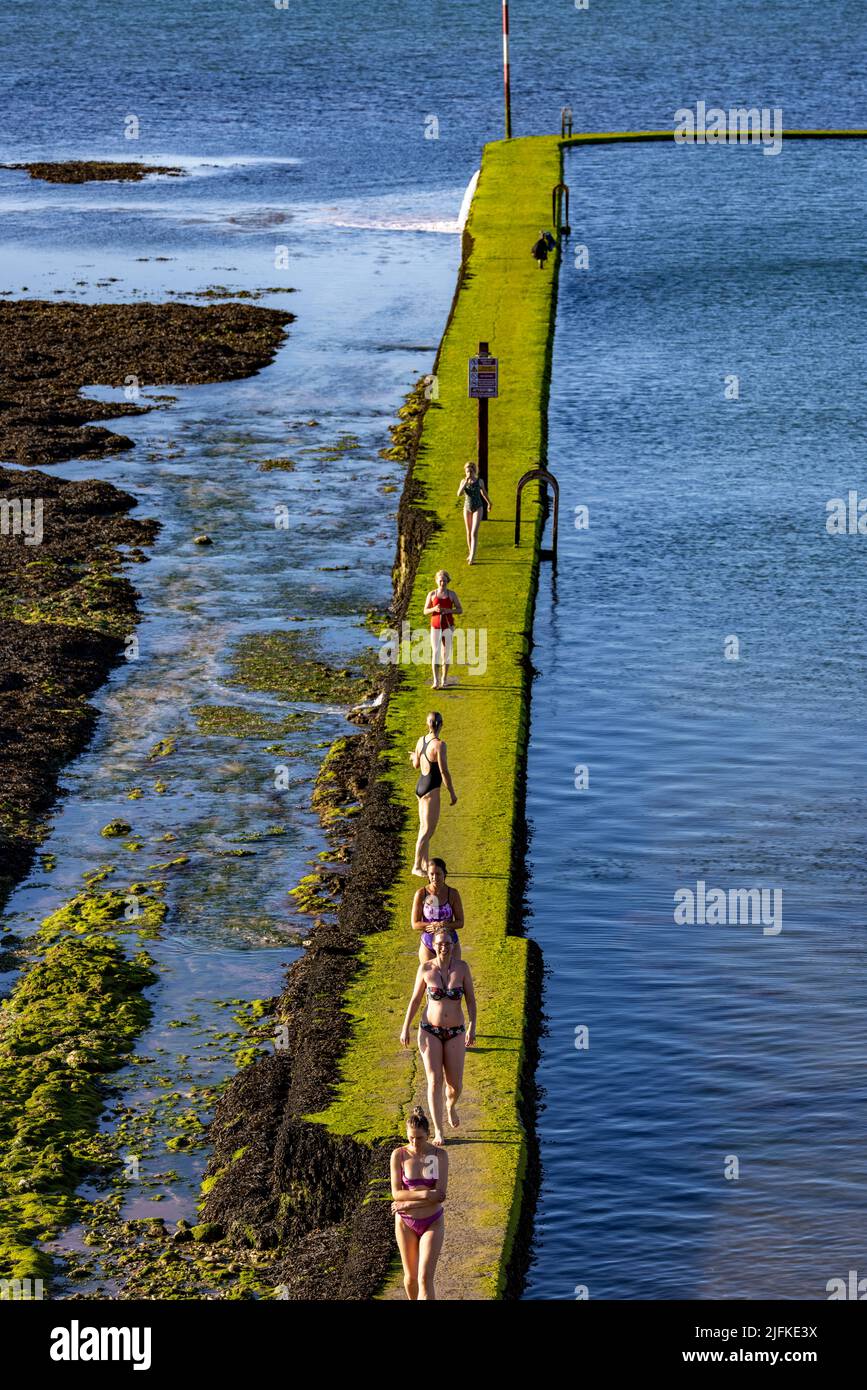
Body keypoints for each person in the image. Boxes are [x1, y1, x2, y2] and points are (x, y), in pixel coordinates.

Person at [401, 927, 476, 1145]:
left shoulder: (462, 969)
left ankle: (450, 1105)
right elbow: (415, 1000)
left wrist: (472, 1026)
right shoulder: (425, 969)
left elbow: (470, 1000)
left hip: (455, 1032)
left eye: (447, 943)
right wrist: (405, 1027)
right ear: (433, 946)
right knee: (434, 1081)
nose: (444, 947)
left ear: (453, 945)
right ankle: (438, 1131)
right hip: (429, 1031)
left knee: (455, 1085)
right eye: (439, 943)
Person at [390, 1105, 449, 1300]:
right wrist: (425, 1195)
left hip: (432, 1221)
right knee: (411, 1278)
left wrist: (408, 1203)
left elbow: (440, 1195)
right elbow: (396, 1194)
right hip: (405, 1223)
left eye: (420, 1137)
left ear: (428, 1134)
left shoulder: (440, 1155)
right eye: (411, 1137)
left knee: (425, 1277)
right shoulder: (398, 1155)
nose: (415, 1142)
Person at [409, 711, 457, 876]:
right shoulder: (440, 745)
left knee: (424, 828)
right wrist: (452, 793)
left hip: (420, 786)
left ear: (427, 724)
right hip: (431, 789)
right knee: (427, 830)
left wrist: (414, 756)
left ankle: (424, 864)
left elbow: (416, 765)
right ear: (441, 724)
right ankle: (416, 866)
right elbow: (444, 772)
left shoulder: (421, 740)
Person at [411, 857, 464, 964]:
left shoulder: (453, 893)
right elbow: (415, 924)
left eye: (438, 874)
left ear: (444, 874)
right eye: (431, 874)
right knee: (429, 978)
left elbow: (460, 922)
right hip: (428, 942)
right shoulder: (421, 894)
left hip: (450, 942)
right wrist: (432, 925)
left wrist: (444, 925)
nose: (435, 877)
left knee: (453, 978)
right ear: (428, 875)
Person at [424, 569, 463, 689]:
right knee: (435, 652)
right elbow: (425, 611)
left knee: (445, 654)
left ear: (448, 581)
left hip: (448, 626)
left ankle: (444, 680)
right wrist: (434, 609)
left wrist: (448, 610)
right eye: (440, 581)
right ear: (436, 581)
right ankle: (436, 681)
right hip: (435, 627)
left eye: (444, 581)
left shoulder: (452, 594)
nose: (442, 583)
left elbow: (460, 610)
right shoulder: (432, 594)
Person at [457, 461, 491, 565]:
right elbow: (459, 494)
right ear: (465, 472)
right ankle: (470, 551)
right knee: (468, 532)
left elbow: (484, 493)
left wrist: (489, 503)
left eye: (471, 471)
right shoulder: (463, 481)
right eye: (467, 471)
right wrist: (465, 483)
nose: (469, 473)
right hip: (467, 508)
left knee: (474, 532)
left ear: (474, 471)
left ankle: (472, 557)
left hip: (478, 507)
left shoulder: (480, 481)